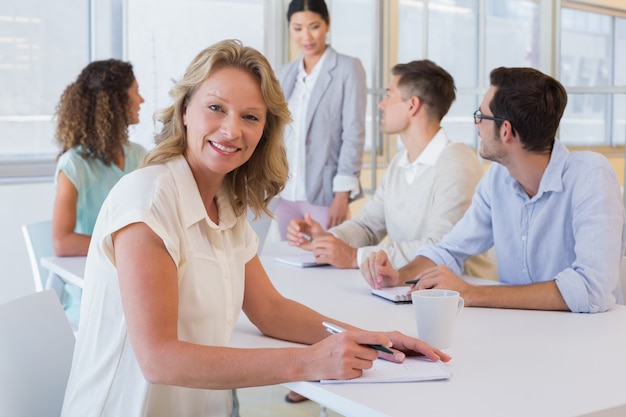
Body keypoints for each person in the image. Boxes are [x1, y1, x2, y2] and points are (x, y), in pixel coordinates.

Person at [60, 40, 450, 417]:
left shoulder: (225, 204)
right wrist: (308, 362)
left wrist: (376, 339)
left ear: (265, 130)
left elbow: (270, 310)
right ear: (184, 111)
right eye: (216, 108)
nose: (232, 130)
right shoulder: (147, 199)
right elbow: (159, 360)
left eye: (250, 117)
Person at [361, 66, 626, 313]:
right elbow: (449, 250)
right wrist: (400, 275)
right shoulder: (498, 179)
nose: (476, 125)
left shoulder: (590, 176)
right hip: (516, 332)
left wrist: (472, 293)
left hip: (587, 342)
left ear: (506, 130)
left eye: (481, 116)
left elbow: (592, 289)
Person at [286, 60, 493, 280]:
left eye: (388, 95)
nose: (381, 105)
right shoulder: (399, 163)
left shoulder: (457, 163)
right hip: (412, 290)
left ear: (412, 105)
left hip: (461, 298)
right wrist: (327, 239)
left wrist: (355, 256)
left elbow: (441, 247)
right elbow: (367, 226)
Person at [51, 59, 146, 327]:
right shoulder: (74, 165)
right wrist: (126, 245)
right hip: (93, 293)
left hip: (134, 278)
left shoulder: (139, 155)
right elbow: (62, 242)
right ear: (116, 102)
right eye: (135, 92)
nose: (142, 99)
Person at [275, 0, 366, 239]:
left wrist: (342, 195)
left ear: (327, 24)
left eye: (314, 26)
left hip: (324, 194)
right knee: (287, 266)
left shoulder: (348, 68)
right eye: (297, 28)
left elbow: (353, 134)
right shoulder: (284, 73)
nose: (306, 36)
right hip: (285, 195)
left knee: (324, 266)